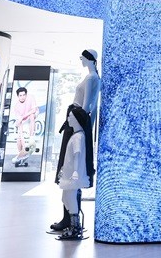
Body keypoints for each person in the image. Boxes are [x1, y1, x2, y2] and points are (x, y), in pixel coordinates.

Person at [50, 49, 101, 234]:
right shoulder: (91, 77)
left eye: (82, 57)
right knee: (68, 166)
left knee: (72, 167)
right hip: (76, 122)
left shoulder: (92, 78)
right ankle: (69, 218)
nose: (80, 59)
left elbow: (87, 106)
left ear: (89, 59)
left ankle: (72, 220)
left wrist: (76, 123)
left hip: (77, 124)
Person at [55, 105, 95, 241]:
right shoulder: (76, 136)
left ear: (77, 119)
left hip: (73, 175)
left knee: (70, 198)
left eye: (71, 117)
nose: (68, 119)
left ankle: (75, 226)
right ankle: (74, 224)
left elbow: (77, 154)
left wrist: (76, 171)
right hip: (69, 173)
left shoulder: (78, 137)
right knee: (65, 198)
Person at [11, 86, 38, 167]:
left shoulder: (31, 97)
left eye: (24, 95)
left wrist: (23, 116)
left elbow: (34, 110)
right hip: (22, 119)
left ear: (26, 95)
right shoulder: (16, 107)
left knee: (32, 115)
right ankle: (20, 154)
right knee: (20, 137)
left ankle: (31, 135)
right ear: (18, 96)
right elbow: (20, 127)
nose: (22, 97)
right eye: (20, 95)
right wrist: (24, 147)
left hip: (32, 114)